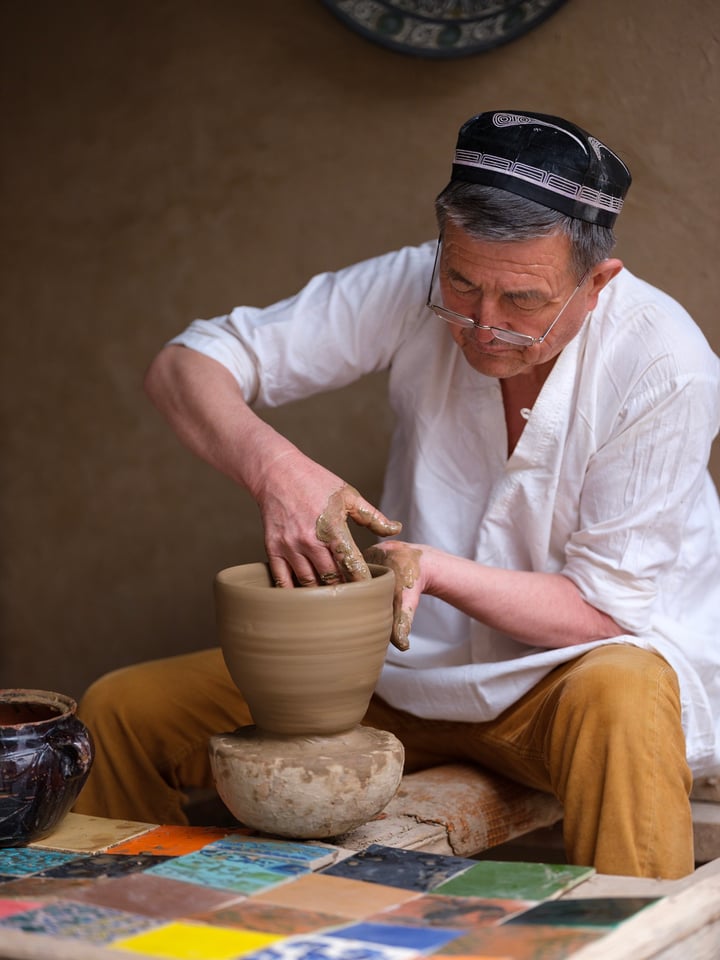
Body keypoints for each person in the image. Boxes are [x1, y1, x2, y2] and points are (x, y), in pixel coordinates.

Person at [75, 110, 720, 879]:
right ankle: (125, 923)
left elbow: (605, 610)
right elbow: (186, 365)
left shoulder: (664, 364)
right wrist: (276, 468)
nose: (482, 325)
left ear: (596, 282)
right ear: (444, 250)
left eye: (522, 301)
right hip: (399, 679)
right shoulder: (416, 285)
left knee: (625, 687)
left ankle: (634, 940)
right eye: (462, 282)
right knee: (120, 710)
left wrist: (435, 570)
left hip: (567, 685)